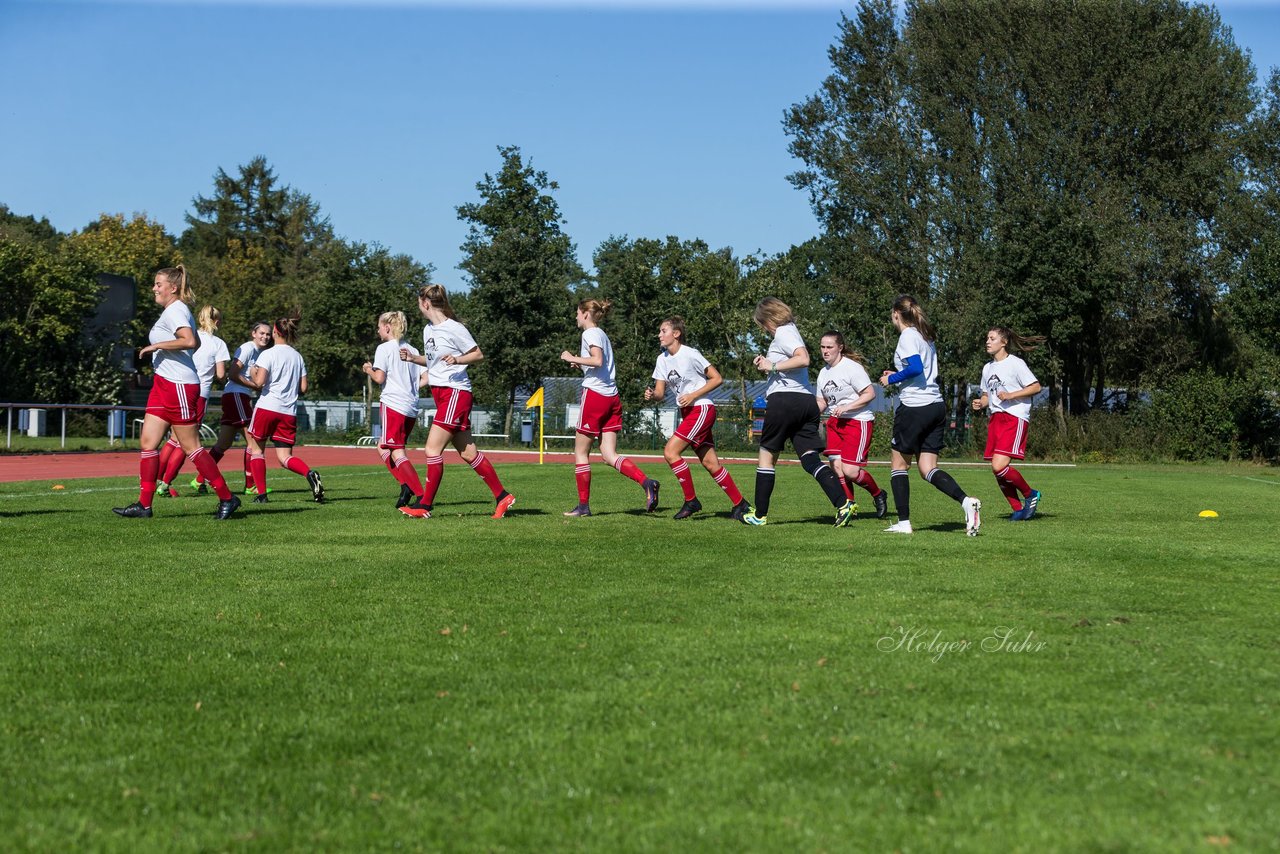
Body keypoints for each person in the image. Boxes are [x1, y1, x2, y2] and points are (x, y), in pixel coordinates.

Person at [111, 266, 241, 520]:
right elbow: (197, 342)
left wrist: (157, 345)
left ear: (172, 288)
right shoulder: (172, 311)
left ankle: (227, 497)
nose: (154, 288)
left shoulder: (176, 310)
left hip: (179, 384)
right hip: (163, 384)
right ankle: (144, 505)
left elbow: (190, 340)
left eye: (158, 284)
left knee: (191, 447)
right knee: (148, 443)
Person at [398, 284, 515, 520]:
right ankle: (503, 496)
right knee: (469, 453)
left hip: (455, 393)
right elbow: (433, 364)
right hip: (442, 395)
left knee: (431, 449)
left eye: (419, 303)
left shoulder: (454, 328)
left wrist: (459, 358)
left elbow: (478, 354)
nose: (419, 307)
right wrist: (413, 358)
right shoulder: (428, 330)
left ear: (426, 303)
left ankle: (425, 506)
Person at [739, 298, 854, 527]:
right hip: (804, 402)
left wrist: (771, 366)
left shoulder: (783, 332)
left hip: (784, 402)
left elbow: (803, 359)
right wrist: (767, 363)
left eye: (763, 324)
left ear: (769, 318)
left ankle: (759, 515)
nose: (764, 329)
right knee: (810, 459)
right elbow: (790, 362)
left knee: (766, 457)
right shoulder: (791, 331)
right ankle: (843, 504)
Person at [878, 294, 982, 535]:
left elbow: (915, 369)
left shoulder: (907, 335)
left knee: (899, 464)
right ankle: (968, 503)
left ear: (896, 314)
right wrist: (897, 372)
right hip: (935, 405)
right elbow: (920, 370)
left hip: (915, 407)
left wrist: (890, 378)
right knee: (927, 468)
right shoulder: (925, 336)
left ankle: (903, 523)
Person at [559, 298, 660, 517]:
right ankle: (647, 482)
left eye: (577, 312)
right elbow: (599, 365)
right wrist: (581, 364)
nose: (576, 316)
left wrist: (571, 357)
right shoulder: (602, 334)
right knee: (608, 454)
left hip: (595, 396)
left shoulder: (590, 333)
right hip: (611, 396)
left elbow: (597, 361)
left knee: (580, 452)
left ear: (586, 313)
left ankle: (583, 507)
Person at [643, 316, 749, 520]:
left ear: (676, 333)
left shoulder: (691, 354)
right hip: (689, 413)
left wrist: (692, 395)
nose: (659, 334)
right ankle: (740, 504)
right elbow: (660, 392)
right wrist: (652, 395)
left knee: (670, 451)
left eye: (663, 330)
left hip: (701, 409)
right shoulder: (661, 359)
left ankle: (691, 500)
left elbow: (717, 378)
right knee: (710, 463)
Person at [243, 316, 324, 503]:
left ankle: (261, 495)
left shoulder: (268, 354)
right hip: (288, 411)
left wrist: (253, 371)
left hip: (267, 407)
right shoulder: (297, 356)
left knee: (256, 451)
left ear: (275, 331)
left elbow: (260, 381)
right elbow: (303, 388)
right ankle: (309, 473)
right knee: (284, 457)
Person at [972, 326, 1044, 521]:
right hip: (996, 418)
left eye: (992, 338)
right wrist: (981, 403)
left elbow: (1036, 386)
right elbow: (987, 395)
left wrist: (1012, 395)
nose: (987, 341)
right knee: (997, 470)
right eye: (987, 337)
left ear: (1003, 342)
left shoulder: (1016, 363)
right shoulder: (987, 368)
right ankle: (1017, 508)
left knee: (999, 466)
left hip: (1014, 416)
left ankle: (1030, 494)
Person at [156, 305, 229, 497]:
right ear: (217, 321)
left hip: (177, 386)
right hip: (199, 392)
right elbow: (221, 374)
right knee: (186, 442)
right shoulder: (218, 344)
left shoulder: (188, 335)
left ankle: (156, 478)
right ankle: (165, 483)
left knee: (173, 438)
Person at [815, 330, 888, 520]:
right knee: (837, 468)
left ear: (840, 347)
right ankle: (848, 507)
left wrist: (847, 407)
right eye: (822, 347)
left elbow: (870, 394)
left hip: (858, 420)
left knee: (850, 471)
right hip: (835, 423)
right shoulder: (823, 373)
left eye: (829, 347)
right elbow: (822, 402)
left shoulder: (852, 368)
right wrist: (806, 414)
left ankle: (878, 494)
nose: (825, 351)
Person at [362, 310, 426, 509]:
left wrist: (368, 370)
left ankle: (421, 496)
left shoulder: (384, 348)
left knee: (397, 452)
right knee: (383, 446)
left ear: (387, 327)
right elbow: (427, 376)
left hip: (393, 404)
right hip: (411, 406)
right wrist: (410, 387)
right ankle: (405, 485)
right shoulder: (412, 348)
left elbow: (379, 378)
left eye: (379, 326)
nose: (378, 330)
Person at [198, 321, 272, 495]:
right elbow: (232, 374)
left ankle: (199, 479)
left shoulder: (260, 352)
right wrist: (254, 386)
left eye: (268, 334)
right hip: (236, 395)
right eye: (261, 333)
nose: (265, 337)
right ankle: (250, 485)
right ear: (253, 333)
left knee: (223, 443)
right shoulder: (248, 348)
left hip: (237, 397)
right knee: (253, 441)